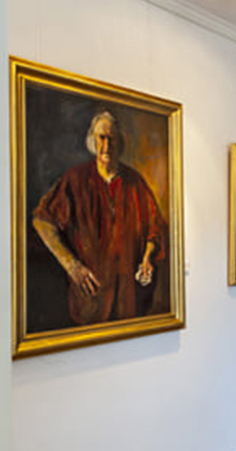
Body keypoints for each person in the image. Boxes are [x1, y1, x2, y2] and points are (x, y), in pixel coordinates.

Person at [32, 110, 167, 325]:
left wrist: (147, 258)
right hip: (90, 302)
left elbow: (155, 228)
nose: (107, 145)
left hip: (128, 301)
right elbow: (42, 221)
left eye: (112, 138)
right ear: (92, 141)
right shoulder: (76, 179)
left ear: (120, 142)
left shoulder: (135, 182)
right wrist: (72, 266)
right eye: (101, 137)